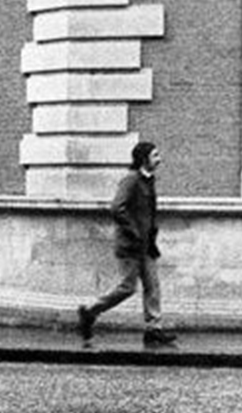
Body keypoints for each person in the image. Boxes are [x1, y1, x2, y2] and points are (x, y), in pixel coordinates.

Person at [75, 140, 175, 347]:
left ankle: (154, 329)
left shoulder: (149, 180)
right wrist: (134, 232)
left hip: (147, 245)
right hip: (130, 246)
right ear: (143, 159)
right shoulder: (131, 180)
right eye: (155, 156)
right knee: (127, 288)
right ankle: (90, 312)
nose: (159, 159)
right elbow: (116, 208)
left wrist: (150, 234)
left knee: (153, 286)